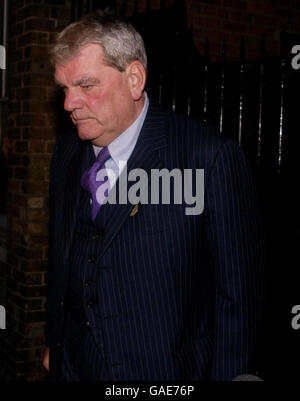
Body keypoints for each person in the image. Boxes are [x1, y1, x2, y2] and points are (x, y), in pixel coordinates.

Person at [43, 11, 265, 381]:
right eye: (64, 89)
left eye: (86, 85)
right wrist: (56, 342)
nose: (69, 104)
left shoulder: (207, 157)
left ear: (134, 79)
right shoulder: (66, 154)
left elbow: (239, 297)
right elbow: (61, 261)